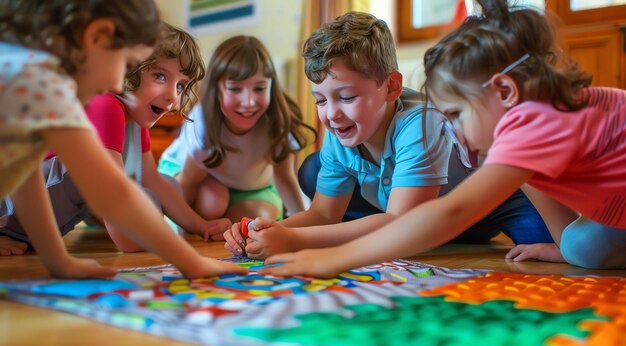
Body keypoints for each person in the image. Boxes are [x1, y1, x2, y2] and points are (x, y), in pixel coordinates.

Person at [259, 0, 626, 278]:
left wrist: (335, 258)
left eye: (455, 115)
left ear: (504, 90)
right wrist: (565, 248)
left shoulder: (530, 120)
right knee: (580, 245)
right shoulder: (535, 119)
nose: (454, 131)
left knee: (585, 246)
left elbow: (451, 212)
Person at [224, 11, 551, 259]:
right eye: (320, 100)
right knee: (312, 169)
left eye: (347, 97)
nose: (332, 113)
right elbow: (324, 214)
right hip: (412, 213)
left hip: (485, 209)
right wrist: (266, 230)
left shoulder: (419, 123)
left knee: (549, 239)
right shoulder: (340, 130)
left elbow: (398, 221)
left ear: (391, 87)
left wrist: (294, 241)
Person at [0, 0, 246, 278]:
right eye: (127, 63)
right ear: (98, 38)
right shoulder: (41, 81)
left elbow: (25, 175)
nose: (120, 83)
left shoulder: (32, 76)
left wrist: (59, 262)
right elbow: (113, 194)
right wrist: (191, 262)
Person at [158, 35, 316, 240]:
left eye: (259, 88)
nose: (248, 101)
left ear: (271, 87)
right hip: (195, 180)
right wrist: (178, 232)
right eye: (235, 89)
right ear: (217, 89)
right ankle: (205, 224)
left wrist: (305, 229)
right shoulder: (204, 123)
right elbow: (188, 181)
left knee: (259, 220)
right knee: (212, 201)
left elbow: (285, 178)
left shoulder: (279, 122)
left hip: (254, 188)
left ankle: (219, 227)